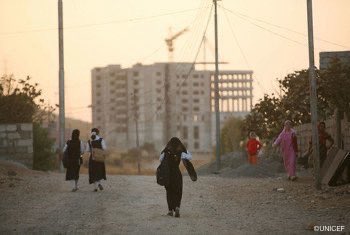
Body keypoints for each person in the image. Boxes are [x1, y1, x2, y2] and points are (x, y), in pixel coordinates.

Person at [159, 137, 196, 218]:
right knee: (178, 191)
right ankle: (177, 207)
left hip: (168, 175)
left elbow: (160, 159)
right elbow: (189, 157)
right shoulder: (180, 152)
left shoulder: (166, 151)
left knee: (169, 192)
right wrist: (183, 150)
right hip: (177, 174)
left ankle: (170, 210)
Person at [87, 128, 107, 192]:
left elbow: (87, 150)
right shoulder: (101, 140)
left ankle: (95, 188)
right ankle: (99, 183)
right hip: (99, 157)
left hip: (92, 158)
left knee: (93, 171)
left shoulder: (89, 141)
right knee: (99, 171)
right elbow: (104, 148)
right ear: (98, 133)